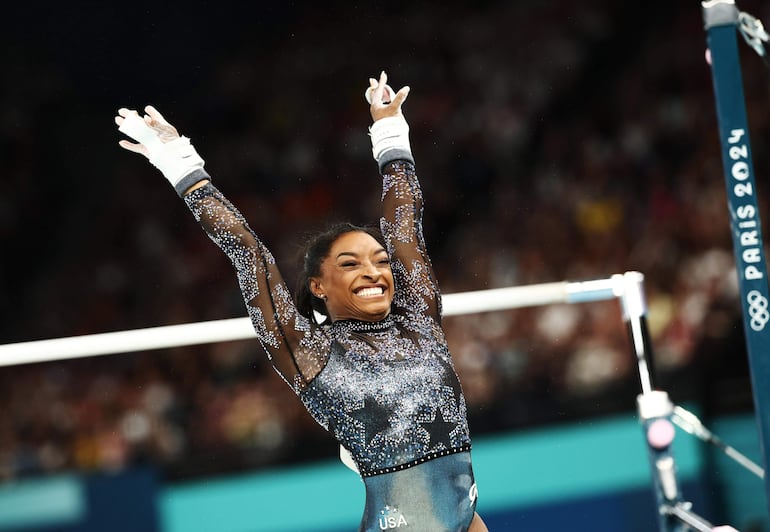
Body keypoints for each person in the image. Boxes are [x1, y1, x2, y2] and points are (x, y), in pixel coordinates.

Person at [114, 71, 489, 532]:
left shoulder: (421, 321)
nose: (373, 272)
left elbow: (405, 228)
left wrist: (390, 132)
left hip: (464, 518)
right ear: (318, 286)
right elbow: (247, 250)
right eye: (350, 264)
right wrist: (178, 160)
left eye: (380, 261)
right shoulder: (309, 352)